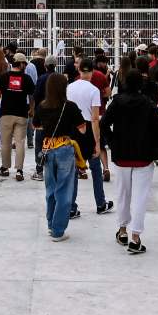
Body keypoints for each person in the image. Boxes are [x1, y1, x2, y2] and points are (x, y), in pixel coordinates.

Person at [101, 70, 158, 255]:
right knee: (140, 197)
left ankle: (122, 230)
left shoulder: (117, 101)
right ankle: (136, 237)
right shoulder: (148, 104)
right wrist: (156, 150)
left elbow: (104, 123)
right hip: (143, 156)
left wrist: (112, 142)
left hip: (121, 155)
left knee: (122, 194)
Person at [37, 72, 87, 241]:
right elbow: (82, 129)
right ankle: (58, 230)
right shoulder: (70, 106)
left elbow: (36, 125)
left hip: (48, 150)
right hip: (65, 149)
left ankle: (51, 224)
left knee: (50, 189)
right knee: (64, 190)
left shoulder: (42, 106)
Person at [66, 58, 113, 215]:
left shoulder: (69, 88)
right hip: (88, 131)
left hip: (73, 130)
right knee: (95, 168)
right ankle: (100, 203)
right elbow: (94, 118)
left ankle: (71, 206)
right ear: (92, 72)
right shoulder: (93, 90)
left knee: (73, 169)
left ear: (79, 70)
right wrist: (97, 142)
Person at [0, 52, 35, 180]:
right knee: (20, 142)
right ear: (21, 64)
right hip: (21, 115)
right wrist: (32, 109)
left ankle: (5, 168)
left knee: (5, 143)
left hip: (6, 114)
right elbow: (32, 97)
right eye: (25, 64)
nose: (25, 66)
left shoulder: (4, 77)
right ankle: (19, 171)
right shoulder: (27, 79)